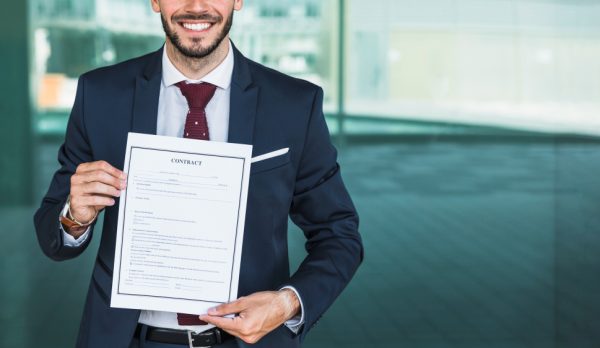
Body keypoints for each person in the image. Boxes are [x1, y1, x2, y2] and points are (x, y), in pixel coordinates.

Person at [33, 0, 363, 347]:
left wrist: (287, 303)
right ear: (155, 1)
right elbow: (52, 238)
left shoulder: (294, 104)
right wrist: (75, 216)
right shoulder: (100, 95)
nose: (196, 6)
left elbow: (339, 235)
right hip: (127, 339)